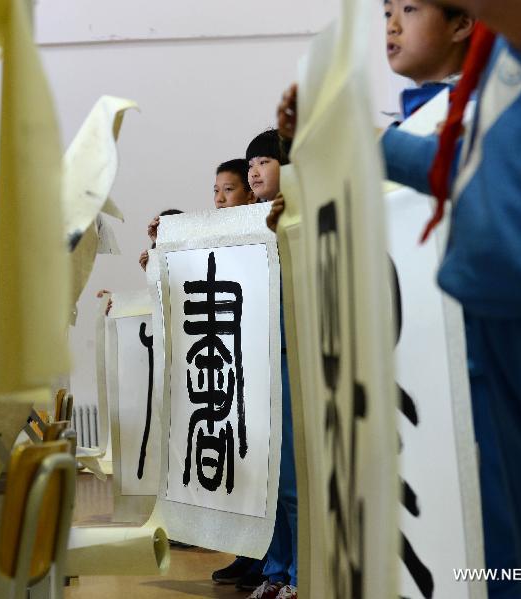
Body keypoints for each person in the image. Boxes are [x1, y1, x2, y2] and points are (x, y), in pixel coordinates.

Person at [384, 1, 521, 596]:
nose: (393, 19)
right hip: (503, 312)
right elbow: (470, 166)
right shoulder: (508, 44)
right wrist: (365, 142)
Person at [242, 129, 297, 599]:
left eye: (265, 161)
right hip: (257, 366)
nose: (255, 171)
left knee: (294, 478)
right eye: (251, 164)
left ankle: (301, 573)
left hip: (292, 363)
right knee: (270, 483)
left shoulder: (300, 220)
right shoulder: (245, 224)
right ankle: (276, 571)